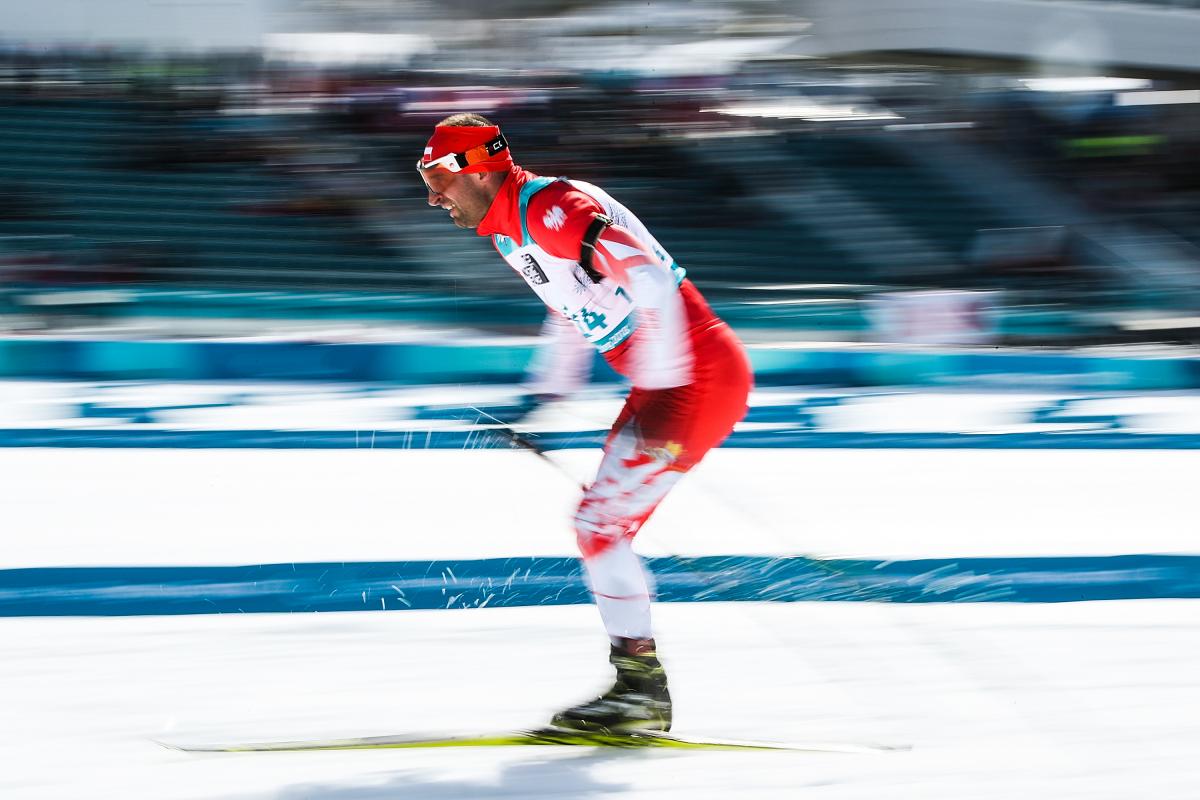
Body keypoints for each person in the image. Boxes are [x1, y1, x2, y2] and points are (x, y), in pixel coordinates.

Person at [417, 113, 753, 734]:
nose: (432, 195)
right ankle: (637, 692)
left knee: (600, 526)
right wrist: (543, 397)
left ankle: (640, 696)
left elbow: (650, 281)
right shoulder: (511, 231)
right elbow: (572, 312)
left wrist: (665, 373)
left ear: (479, 168)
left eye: (438, 176)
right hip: (671, 380)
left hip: (693, 374)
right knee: (600, 528)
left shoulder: (552, 208)